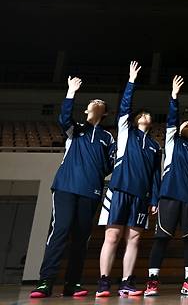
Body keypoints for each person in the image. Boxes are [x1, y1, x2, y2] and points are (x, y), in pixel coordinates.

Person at [29, 76, 114, 298]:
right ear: (86, 110)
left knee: (81, 237)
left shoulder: (107, 137)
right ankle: (45, 281)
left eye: (100, 102)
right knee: (60, 230)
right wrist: (71, 92)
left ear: (104, 113)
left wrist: (94, 174)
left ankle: (72, 283)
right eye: (92, 101)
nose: (95, 102)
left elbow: (109, 165)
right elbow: (64, 117)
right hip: (66, 186)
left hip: (91, 190)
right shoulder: (75, 130)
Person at [97, 61, 161, 297]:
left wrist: (154, 198)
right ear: (135, 120)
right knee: (112, 236)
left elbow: (156, 175)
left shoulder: (155, 146)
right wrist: (132, 80)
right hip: (119, 190)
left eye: (149, 115)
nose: (146, 116)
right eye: (142, 114)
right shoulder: (126, 133)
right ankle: (104, 281)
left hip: (141, 195)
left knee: (134, 238)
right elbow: (125, 106)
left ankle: (126, 281)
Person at [144, 75, 188, 296]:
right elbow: (172, 118)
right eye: (185, 122)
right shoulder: (173, 142)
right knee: (161, 238)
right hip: (170, 196)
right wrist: (174, 95)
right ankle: (152, 281)